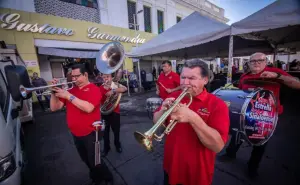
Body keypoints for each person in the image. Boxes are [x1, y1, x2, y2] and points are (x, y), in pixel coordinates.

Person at [219, 52, 300, 178]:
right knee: (238, 133)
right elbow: (240, 93)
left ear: (265, 61)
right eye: (253, 61)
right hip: (246, 113)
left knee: (261, 142)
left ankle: (252, 167)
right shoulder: (244, 76)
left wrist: (278, 76)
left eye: (260, 60)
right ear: (249, 63)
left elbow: (297, 84)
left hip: (266, 115)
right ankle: (230, 154)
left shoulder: (274, 71)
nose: (256, 63)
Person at [153, 59, 230, 185]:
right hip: (171, 166)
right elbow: (156, 121)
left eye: (192, 78)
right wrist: (162, 110)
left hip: (197, 173)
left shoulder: (218, 105)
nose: (185, 83)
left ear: (205, 80)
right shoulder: (174, 96)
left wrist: (193, 118)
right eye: (183, 77)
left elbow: (217, 146)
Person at [49, 63, 111, 184]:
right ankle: (95, 176)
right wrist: (53, 92)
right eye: (72, 76)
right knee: (85, 159)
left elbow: (88, 108)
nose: (74, 79)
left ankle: (106, 177)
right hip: (76, 133)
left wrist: (69, 96)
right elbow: (54, 108)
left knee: (96, 160)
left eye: (77, 76)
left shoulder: (94, 89)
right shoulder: (71, 90)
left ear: (85, 75)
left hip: (91, 133)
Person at [100, 73, 127, 157]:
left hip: (115, 112)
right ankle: (106, 147)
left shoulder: (115, 85)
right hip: (104, 113)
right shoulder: (100, 87)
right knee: (105, 132)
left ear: (111, 77)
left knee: (116, 131)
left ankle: (117, 145)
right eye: (104, 77)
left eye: (107, 77)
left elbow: (124, 88)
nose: (106, 79)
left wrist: (113, 91)